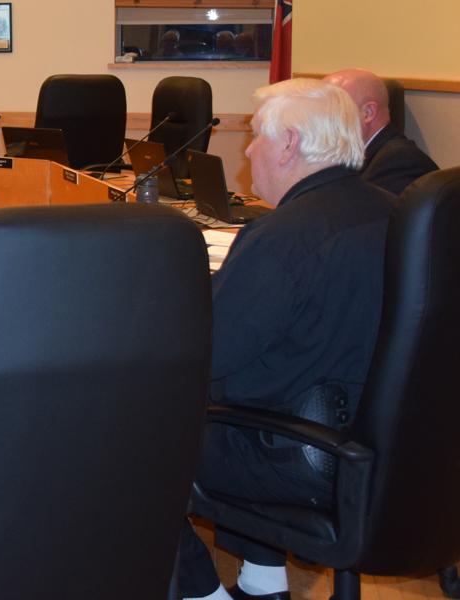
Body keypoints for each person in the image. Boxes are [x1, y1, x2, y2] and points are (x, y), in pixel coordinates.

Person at [176, 78, 397, 600]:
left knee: (127, 436)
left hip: (300, 458)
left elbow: (206, 354)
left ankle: (202, 594)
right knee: (269, 378)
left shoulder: (284, 239)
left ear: (291, 143)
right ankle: (262, 582)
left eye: (256, 136)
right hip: (383, 453)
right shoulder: (398, 212)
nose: (249, 149)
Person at [323, 68, 439, 195]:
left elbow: (353, 211)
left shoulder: (398, 162)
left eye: (332, 109)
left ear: (368, 113)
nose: (321, 120)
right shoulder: (362, 153)